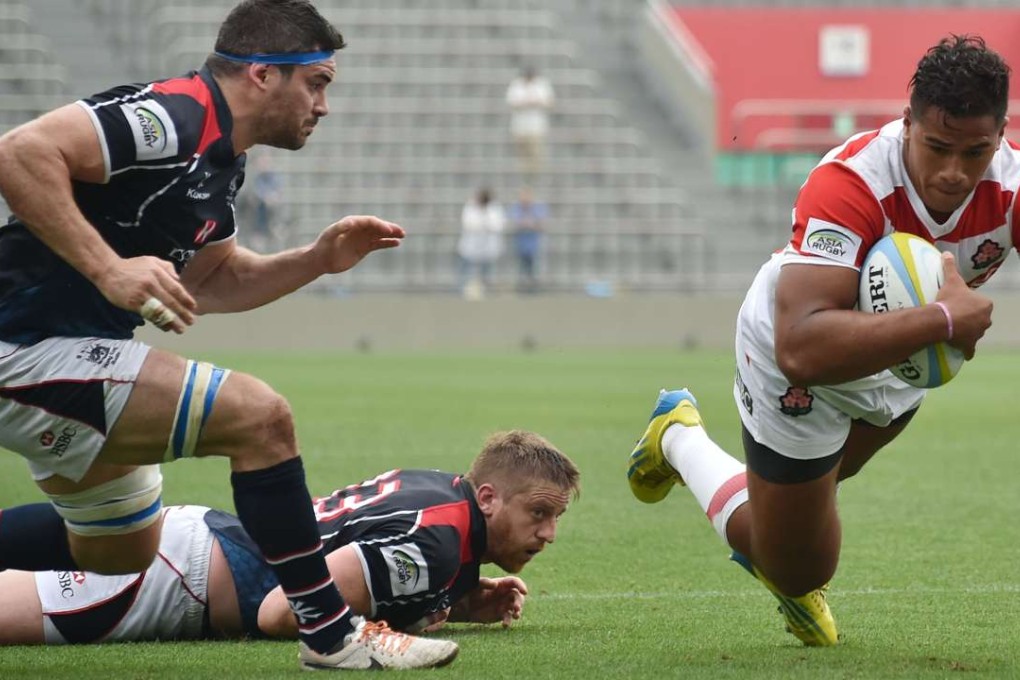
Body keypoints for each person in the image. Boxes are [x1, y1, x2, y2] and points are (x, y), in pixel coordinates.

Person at [0, 0, 451, 671]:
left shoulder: (222, 160)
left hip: (68, 350)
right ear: (264, 75)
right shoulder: (175, 115)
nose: (324, 105)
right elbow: (20, 151)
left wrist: (317, 260)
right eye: (317, 82)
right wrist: (108, 268)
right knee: (259, 417)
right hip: (22, 347)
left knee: (119, 551)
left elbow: (214, 281)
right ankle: (332, 636)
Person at [627, 34, 1002, 646]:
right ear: (907, 123)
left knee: (799, 506)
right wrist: (941, 321)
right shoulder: (849, 182)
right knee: (798, 565)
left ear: (1000, 134)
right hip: (796, 365)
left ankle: (776, 514)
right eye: (937, 147)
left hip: (895, 373)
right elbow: (801, 346)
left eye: (976, 151)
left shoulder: (1008, 187)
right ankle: (679, 438)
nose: (954, 172)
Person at [0, 431, 580, 656]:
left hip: (199, 545)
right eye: (538, 513)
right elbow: (284, 613)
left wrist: (456, 601)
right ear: (487, 498)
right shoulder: (435, 544)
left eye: (555, 519)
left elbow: (358, 547)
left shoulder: (439, 493)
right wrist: (416, 618)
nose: (548, 534)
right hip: (183, 581)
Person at [506, 67, 555, 184]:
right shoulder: (516, 85)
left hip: (536, 127)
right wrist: (526, 102)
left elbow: (549, 103)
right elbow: (512, 103)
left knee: (535, 155)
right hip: (519, 127)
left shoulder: (542, 85)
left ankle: (533, 181)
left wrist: (536, 102)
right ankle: (523, 181)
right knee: (521, 156)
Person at [456, 187, 505, 300]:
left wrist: (484, 223)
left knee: (486, 272)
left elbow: (497, 226)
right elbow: (468, 224)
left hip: (488, 248)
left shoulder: (494, 208)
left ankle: (487, 292)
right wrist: (484, 225)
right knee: (465, 270)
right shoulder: (470, 206)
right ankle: (460, 292)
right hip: (470, 246)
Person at [508, 187, 549, 294]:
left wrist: (529, 224)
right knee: (521, 268)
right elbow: (514, 223)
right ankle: (522, 289)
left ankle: (534, 289)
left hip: (534, 245)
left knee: (535, 268)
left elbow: (542, 224)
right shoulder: (516, 208)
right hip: (520, 244)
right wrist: (528, 224)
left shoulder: (538, 208)